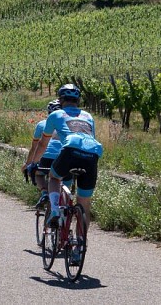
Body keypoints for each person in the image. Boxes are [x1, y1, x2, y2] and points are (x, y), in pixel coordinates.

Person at [33, 84, 102, 262]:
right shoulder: (88, 116)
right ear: (78, 100)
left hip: (70, 150)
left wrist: (34, 163)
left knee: (55, 177)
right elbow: (90, 137)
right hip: (92, 155)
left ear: (61, 99)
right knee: (84, 204)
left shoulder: (55, 115)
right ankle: (79, 247)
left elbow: (42, 144)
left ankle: (55, 210)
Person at [23, 99, 63, 208]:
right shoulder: (68, 124)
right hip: (64, 156)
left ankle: (45, 192)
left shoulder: (42, 124)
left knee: (39, 174)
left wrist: (28, 163)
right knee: (63, 178)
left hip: (46, 156)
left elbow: (35, 147)